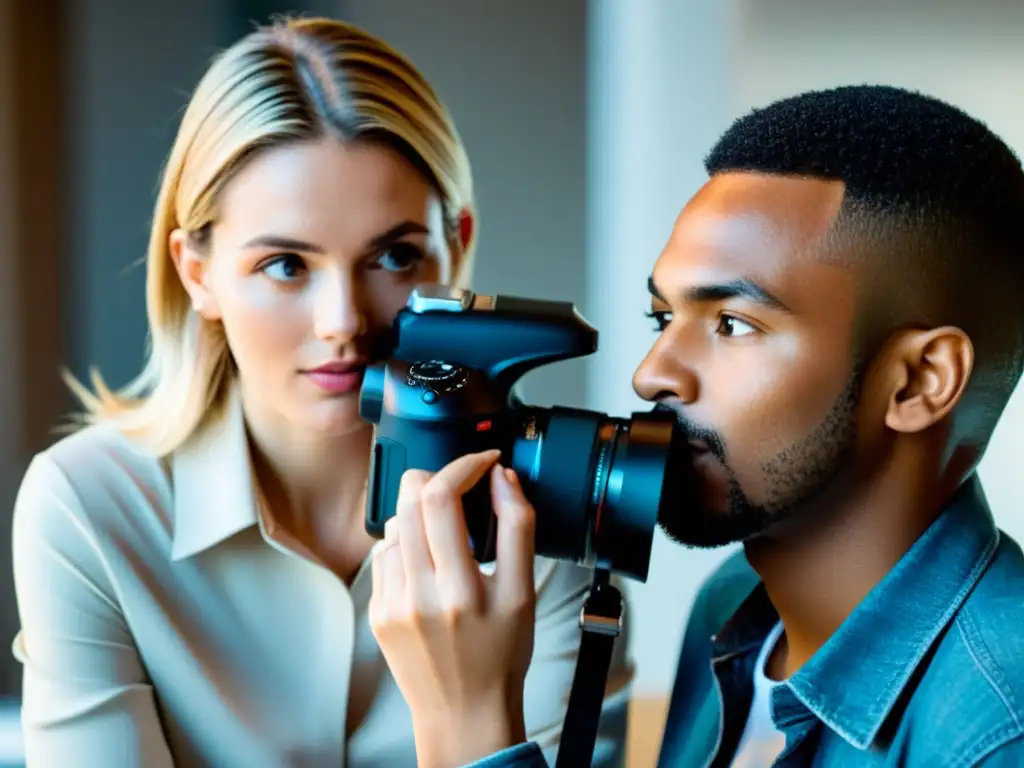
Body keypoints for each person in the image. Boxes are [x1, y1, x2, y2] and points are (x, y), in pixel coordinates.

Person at [9, 17, 632, 768]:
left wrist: (469, 714)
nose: (342, 324)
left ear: (457, 248)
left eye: (394, 256)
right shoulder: (91, 509)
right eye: (285, 265)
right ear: (197, 272)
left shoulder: (539, 518)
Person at [368, 84, 1024, 767]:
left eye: (732, 324)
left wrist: (470, 724)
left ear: (921, 381)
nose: (652, 374)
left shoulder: (999, 733)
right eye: (664, 318)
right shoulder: (732, 605)